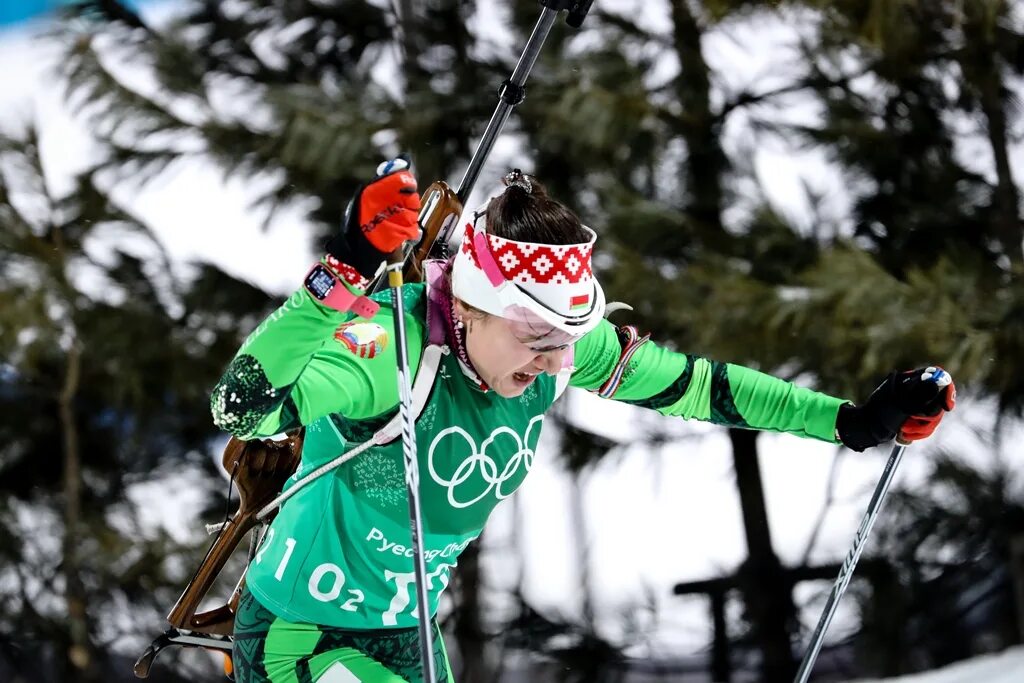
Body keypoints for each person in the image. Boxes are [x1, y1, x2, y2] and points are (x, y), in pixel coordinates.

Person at [211, 161, 955, 683]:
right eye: (534, 336)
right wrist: (342, 268)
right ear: (467, 305)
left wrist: (850, 422)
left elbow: (702, 388)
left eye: (565, 341)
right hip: (300, 637)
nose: (549, 361)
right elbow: (239, 405)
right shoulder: (391, 348)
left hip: (409, 638)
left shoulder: (560, 354)